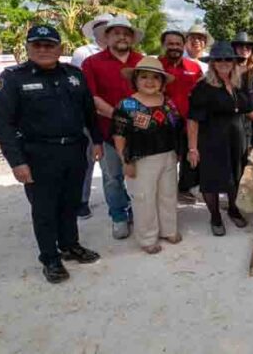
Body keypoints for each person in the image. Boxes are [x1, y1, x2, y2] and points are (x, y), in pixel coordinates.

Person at [0, 25, 102, 283]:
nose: (43, 50)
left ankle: (70, 245)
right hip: (38, 154)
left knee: (70, 202)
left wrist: (96, 141)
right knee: (44, 209)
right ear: (28, 48)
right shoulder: (13, 78)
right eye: (37, 45)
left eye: (49, 45)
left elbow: (89, 111)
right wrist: (17, 162)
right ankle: (50, 258)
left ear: (60, 49)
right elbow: (3, 125)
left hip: (75, 149)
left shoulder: (74, 75)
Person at [187, 42, 253, 236]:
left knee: (236, 177)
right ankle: (215, 217)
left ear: (234, 62)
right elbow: (192, 120)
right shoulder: (203, 87)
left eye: (228, 59)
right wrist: (193, 148)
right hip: (211, 141)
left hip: (236, 140)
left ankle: (233, 210)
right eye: (219, 59)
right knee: (211, 179)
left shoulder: (238, 84)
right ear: (213, 63)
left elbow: (248, 109)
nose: (224, 62)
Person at [113, 57, 185, 254]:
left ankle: (168, 229)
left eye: (155, 77)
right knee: (144, 199)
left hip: (168, 156)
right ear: (135, 80)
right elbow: (119, 135)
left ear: (162, 81)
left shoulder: (168, 102)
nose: (150, 81)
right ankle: (147, 238)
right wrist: (125, 161)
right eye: (144, 77)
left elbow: (177, 129)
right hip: (140, 159)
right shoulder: (127, 105)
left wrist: (178, 152)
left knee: (168, 194)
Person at [81, 15, 144, 239]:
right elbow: (91, 98)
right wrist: (120, 117)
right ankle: (118, 216)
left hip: (140, 132)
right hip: (107, 131)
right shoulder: (92, 63)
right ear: (106, 37)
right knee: (112, 177)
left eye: (126, 33)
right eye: (116, 33)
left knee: (139, 175)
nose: (122, 37)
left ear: (132, 38)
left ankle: (138, 211)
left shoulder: (141, 61)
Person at [71, 12, 114, 219]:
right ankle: (82, 200)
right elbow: (76, 84)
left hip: (114, 117)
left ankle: (116, 203)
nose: (105, 30)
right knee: (87, 160)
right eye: (102, 27)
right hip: (89, 114)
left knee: (112, 165)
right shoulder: (82, 53)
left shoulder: (123, 53)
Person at [158, 30, 203, 202]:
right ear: (164, 45)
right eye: (170, 44)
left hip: (188, 124)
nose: (174, 47)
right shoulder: (156, 66)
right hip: (162, 125)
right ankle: (163, 193)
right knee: (166, 162)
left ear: (183, 46)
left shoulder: (194, 67)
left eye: (178, 44)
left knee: (187, 159)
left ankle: (184, 189)